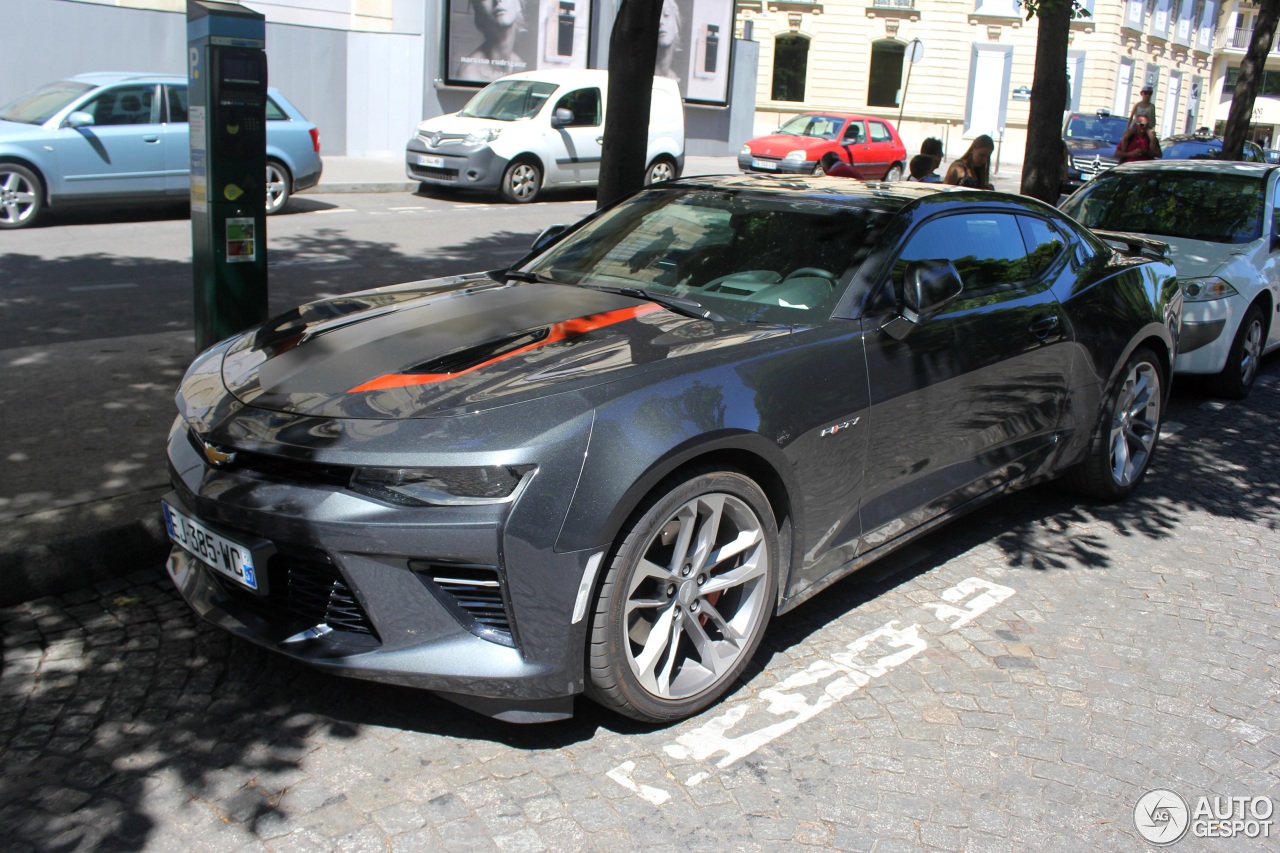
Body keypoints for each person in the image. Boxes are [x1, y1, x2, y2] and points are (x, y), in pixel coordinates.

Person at [454, 0, 527, 83]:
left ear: (518, 4)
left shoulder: (519, 65)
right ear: (478, 10)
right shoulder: (470, 74)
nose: (497, 0)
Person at [655, 0, 682, 80]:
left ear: (676, 26)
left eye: (666, 15)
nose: (660, 21)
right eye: (655, 17)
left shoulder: (674, 80)